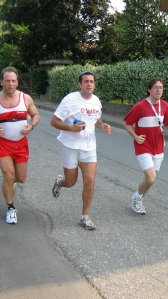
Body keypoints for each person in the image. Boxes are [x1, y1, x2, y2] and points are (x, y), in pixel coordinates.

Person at [0, 66, 40, 224]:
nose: (10, 83)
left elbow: (36, 115)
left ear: (17, 82)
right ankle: (11, 208)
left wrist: (31, 125)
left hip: (21, 144)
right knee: (8, 175)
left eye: (13, 80)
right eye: (7, 81)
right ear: (1, 82)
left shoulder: (25, 99)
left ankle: (11, 185)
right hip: (3, 144)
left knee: (21, 178)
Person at [50, 71, 111, 231]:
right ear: (79, 84)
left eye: (91, 81)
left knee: (90, 181)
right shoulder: (70, 100)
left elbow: (96, 119)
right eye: (86, 81)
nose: (89, 84)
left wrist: (102, 126)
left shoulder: (96, 101)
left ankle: (85, 217)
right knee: (70, 182)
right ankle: (60, 182)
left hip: (89, 148)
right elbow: (54, 121)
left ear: (94, 84)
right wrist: (71, 128)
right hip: (69, 146)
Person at [123, 78, 168, 215]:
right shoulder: (140, 106)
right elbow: (126, 123)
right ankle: (136, 198)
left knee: (150, 180)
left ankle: (139, 199)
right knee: (151, 177)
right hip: (143, 146)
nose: (159, 90)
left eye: (161, 87)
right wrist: (136, 137)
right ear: (149, 89)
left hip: (159, 146)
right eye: (155, 87)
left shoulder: (164, 105)